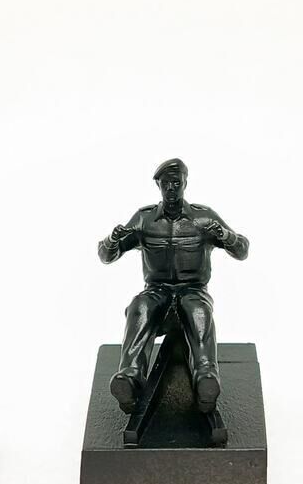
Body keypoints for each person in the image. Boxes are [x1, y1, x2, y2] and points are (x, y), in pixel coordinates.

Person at [98, 158, 249, 413]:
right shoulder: (144, 219)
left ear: (185, 183)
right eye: (166, 183)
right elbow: (106, 256)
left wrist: (226, 236)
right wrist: (111, 241)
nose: (171, 189)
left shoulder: (203, 218)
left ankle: (206, 378)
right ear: (158, 185)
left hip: (193, 290)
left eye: (176, 183)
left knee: (198, 311)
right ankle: (129, 379)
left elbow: (242, 250)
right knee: (140, 306)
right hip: (157, 291)